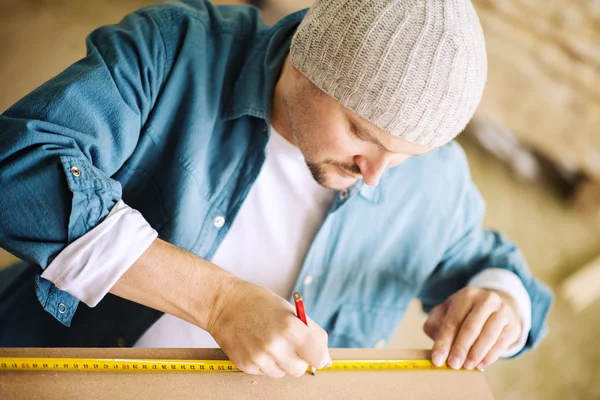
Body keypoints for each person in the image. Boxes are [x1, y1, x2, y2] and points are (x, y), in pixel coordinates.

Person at [0, 0, 552, 378]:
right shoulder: (171, 51)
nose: (376, 175)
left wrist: (501, 301)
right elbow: (16, 169)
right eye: (362, 134)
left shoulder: (435, 184)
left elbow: (494, 266)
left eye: (406, 157)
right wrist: (218, 301)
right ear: (305, 63)